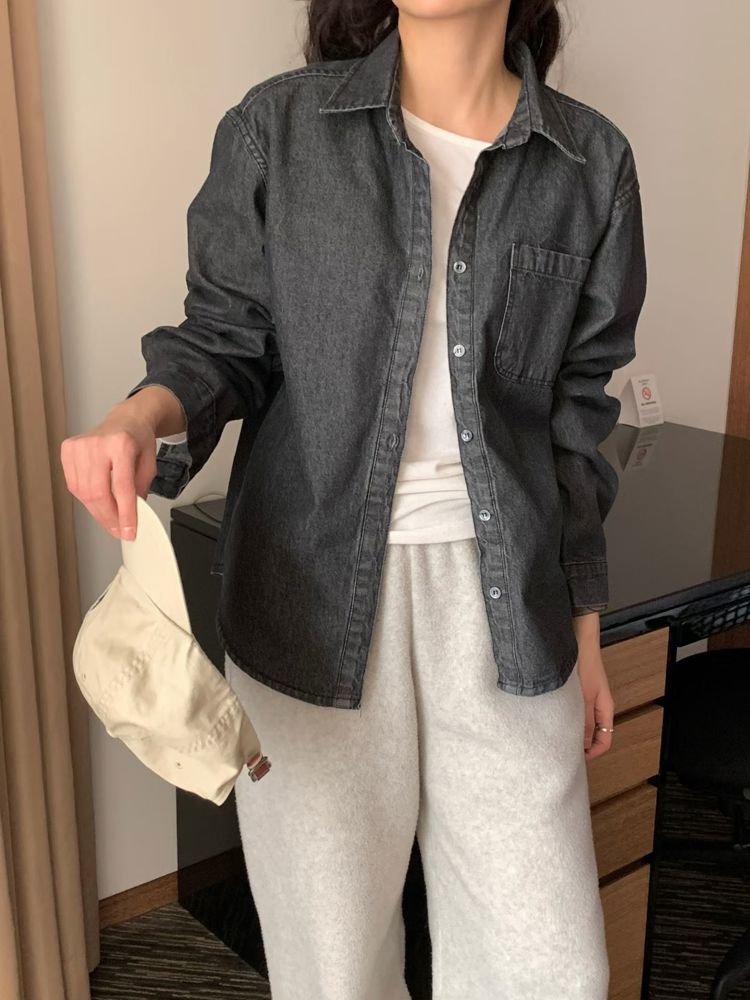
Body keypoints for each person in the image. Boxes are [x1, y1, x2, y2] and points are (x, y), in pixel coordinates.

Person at [61, 1, 647, 997]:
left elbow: (575, 419)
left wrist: (586, 630)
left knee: (550, 970)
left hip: (511, 610)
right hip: (310, 598)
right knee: (333, 971)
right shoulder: (278, 130)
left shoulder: (590, 163)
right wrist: (138, 417)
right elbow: (224, 342)